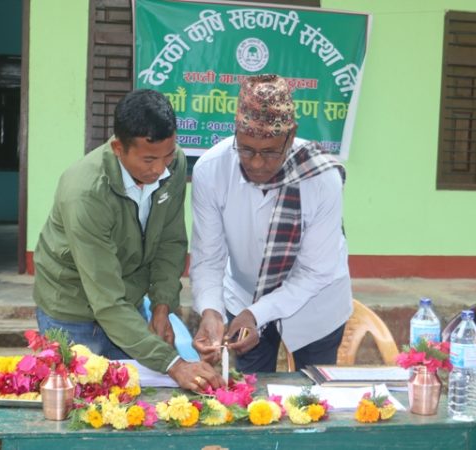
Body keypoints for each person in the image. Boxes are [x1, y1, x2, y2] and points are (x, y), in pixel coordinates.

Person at [33, 89, 222, 391]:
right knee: (78, 409)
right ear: (119, 147)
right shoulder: (86, 192)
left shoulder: (174, 166)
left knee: (134, 401)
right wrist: (172, 364)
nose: (160, 168)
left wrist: (163, 305)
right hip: (71, 309)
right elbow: (106, 300)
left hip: (127, 302)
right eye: (148, 159)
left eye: (168, 155)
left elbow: (170, 242)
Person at [190, 74, 352, 372]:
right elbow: (208, 257)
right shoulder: (211, 170)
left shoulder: (321, 177)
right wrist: (210, 311)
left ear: (291, 137)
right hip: (243, 297)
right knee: (252, 394)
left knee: (311, 397)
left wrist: (257, 313)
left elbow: (316, 271)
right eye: (246, 149)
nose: (255, 163)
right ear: (235, 133)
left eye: (270, 152)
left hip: (315, 305)